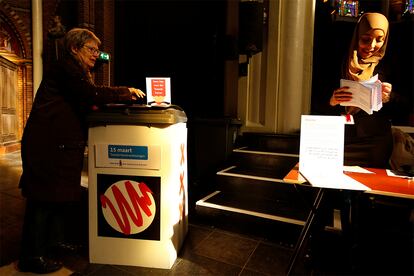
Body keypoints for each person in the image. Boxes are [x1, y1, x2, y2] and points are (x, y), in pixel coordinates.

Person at [17, 28, 145, 274]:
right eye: (92, 49)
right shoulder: (65, 68)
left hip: (61, 145)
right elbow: (90, 94)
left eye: (98, 50)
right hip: (48, 145)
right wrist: (125, 91)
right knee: (42, 199)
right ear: (74, 48)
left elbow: (88, 97)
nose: (96, 55)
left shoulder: (77, 70)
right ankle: (31, 255)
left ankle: (54, 242)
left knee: (58, 197)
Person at [328, 12, 393, 168]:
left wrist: (389, 97)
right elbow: (316, 100)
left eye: (379, 40)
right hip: (341, 138)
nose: (371, 46)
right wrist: (332, 101)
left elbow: (405, 105)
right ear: (357, 36)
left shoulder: (389, 64)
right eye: (366, 39)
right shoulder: (339, 60)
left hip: (375, 141)